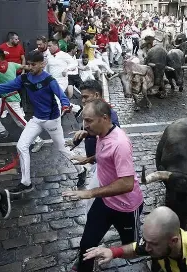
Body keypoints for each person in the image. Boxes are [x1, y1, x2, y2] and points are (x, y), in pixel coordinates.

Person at [0, 50, 86, 194]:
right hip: (36, 119)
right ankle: (26, 183)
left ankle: (81, 169)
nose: (30, 67)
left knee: (61, 148)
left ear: (42, 64)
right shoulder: (24, 78)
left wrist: (65, 105)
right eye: (29, 64)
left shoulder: (49, 80)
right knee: (21, 146)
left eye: (34, 64)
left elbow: (61, 95)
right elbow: (4, 87)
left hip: (51, 120)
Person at [62, 99, 143, 272]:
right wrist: (89, 157)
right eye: (84, 120)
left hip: (126, 207)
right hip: (105, 202)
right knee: (87, 244)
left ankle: (161, 256)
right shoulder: (101, 133)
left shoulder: (120, 144)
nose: (85, 125)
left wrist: (90, 193)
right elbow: (104, 154)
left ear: (105, 118)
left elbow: (127, 183)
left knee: (133, 248)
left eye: (89, 121)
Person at [0, 49, 44, 151]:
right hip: (5, 99)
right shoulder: (11, 64)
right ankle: (3, 133)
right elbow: (25, 66)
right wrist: (35, 67)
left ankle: (38, 140)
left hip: (11, 100)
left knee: (21, 122)